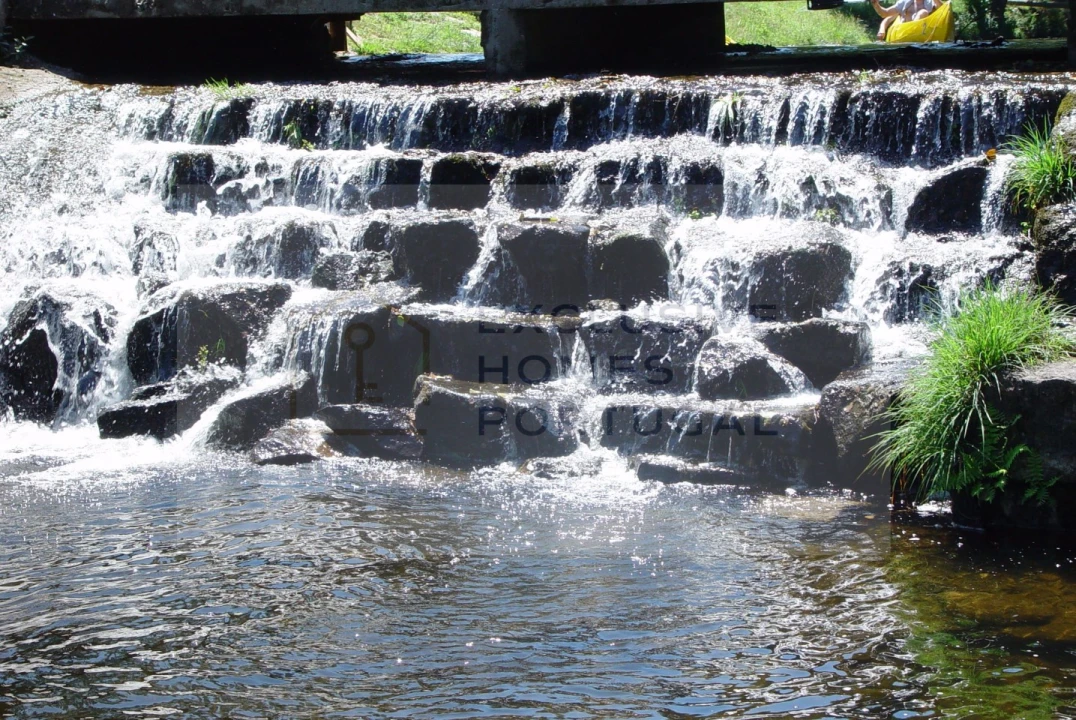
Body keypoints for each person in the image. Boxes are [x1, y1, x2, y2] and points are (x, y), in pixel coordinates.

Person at [871, 0, 938, 40]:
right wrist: (876, 4)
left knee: (923, 12)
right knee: (922, 12)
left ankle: (914, 31)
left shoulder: (930, 2)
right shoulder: (904, 2)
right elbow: (885, 13)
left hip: (922, 34)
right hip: (905, 34)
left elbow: (942, 10)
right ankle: (912, 31)